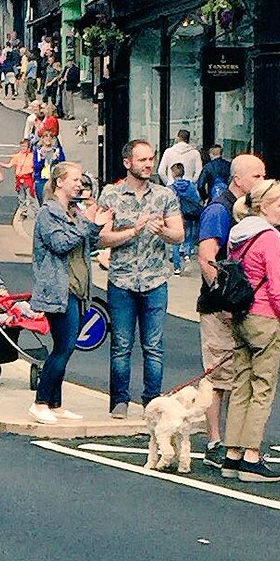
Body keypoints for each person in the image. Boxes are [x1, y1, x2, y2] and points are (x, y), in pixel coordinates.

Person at [98, 140, 184, 417]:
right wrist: (131, 232)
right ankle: (119, 400)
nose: (148, 164)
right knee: (121, 344)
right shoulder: (111, 195)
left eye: (151, 159)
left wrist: (162, 232)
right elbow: (101, 236)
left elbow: (179, 234)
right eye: (142, 160)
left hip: (155, 280)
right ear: (127, 163)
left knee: (154, 346)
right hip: (121, 280)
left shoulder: (164, 196)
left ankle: (152, 402)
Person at [221, 180, 280, 483]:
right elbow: (278, 288)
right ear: (264, 206)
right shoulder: (270, 240)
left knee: (241, 385)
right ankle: (252, 456)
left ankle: (231, 455)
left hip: (240, 315)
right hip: (264, 317)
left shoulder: (238, 235)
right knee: (263, 388)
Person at [196, 153, 266, 468]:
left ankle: (234, 444)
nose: (262, 182)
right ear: (238, 178)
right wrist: (224, 299)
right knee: (218, 374)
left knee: (239, 377)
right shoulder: (219, 210)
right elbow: (207, 257)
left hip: (242, 306)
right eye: (257, 176)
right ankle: (214, 441)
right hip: (219, 308)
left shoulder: (249, 212)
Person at [29, 161, 110, 423]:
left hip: (77, 288)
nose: (79, 184)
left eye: (81, 180)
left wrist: (96, 224)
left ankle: (55, 403)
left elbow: (90, 241)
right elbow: (60, 243)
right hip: (57, 290)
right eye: (75, 179)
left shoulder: (74, 212)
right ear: (59, 182)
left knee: (66, 347)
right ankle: (40, 402)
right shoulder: (48, 213)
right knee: (63, 347)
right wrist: (87, 224)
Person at [166, 162, 202, 274]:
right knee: (188, 236)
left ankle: (177, 267)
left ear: (172, 173)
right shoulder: (191, 185)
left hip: (176, 216)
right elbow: (197, 198)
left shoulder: (170, 188)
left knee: (176, 241)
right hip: (189, 214)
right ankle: (187, 255)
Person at [2, 139, 37, 218]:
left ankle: (36, 212)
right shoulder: (18, 156)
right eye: (22, 146)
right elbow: (9, 165)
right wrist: (0, 164)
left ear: (28, 147)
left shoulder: (32, 156)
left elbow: (34, 168)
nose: (23, 148)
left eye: (25, 146)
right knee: (21, 197)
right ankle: (23, 211)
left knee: (30, 197)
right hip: (19, 179)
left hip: (27, 179)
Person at [33, 130, 65, 206]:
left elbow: (63, 165)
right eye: (46, 137)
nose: (48, 139)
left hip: (54, 180)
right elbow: (36, 167)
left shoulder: (57, 151)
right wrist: (42, 159)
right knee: (43, 204)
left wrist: (56, 159)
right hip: (41, 181)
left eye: (50, 137)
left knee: (55, 203)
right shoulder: (38, 151)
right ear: (42, 139)